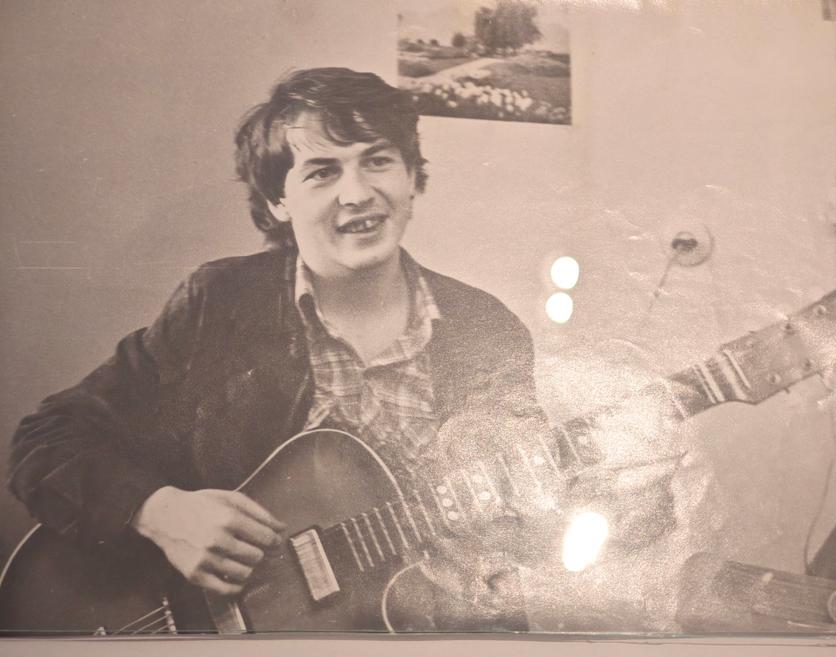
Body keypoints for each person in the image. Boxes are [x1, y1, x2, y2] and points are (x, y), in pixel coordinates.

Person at [8, 67, 676, 631]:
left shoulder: (487, 327)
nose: (357, 193)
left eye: (377, 160)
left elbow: (527, 527)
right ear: (277, 201)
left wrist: (623, 498)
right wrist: (159, 511)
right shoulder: (221, 304)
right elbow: (47, 440)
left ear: (411, 178)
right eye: (322, 171)